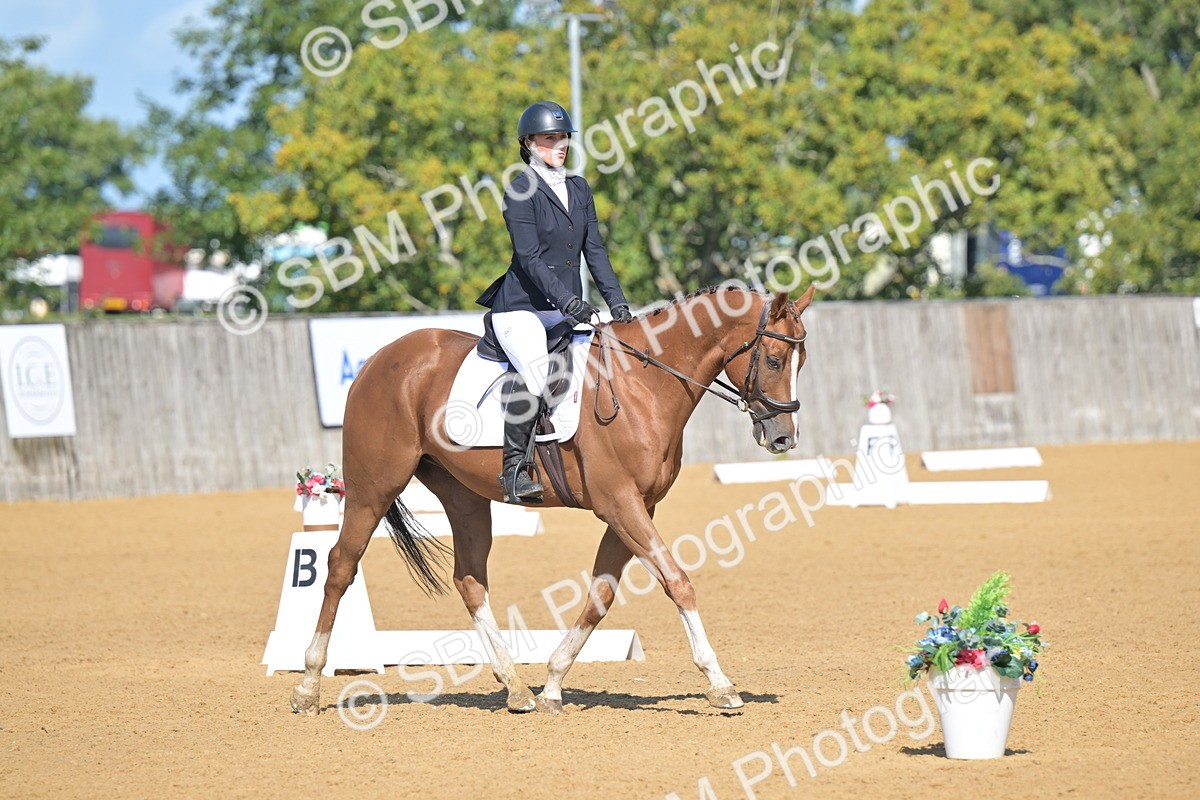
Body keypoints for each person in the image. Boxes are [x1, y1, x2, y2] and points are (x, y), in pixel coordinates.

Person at [476, 100, 633, 504]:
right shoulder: (519, 190)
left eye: (563, 137)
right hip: (521, 309)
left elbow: (593, 250)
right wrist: (568, 302)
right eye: (550, 138)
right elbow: (528, 259)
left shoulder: (579, 188)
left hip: (565, 310)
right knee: (536, 372)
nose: (560, 144)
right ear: (529, 143)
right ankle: (513, 471)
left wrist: (617, 304)